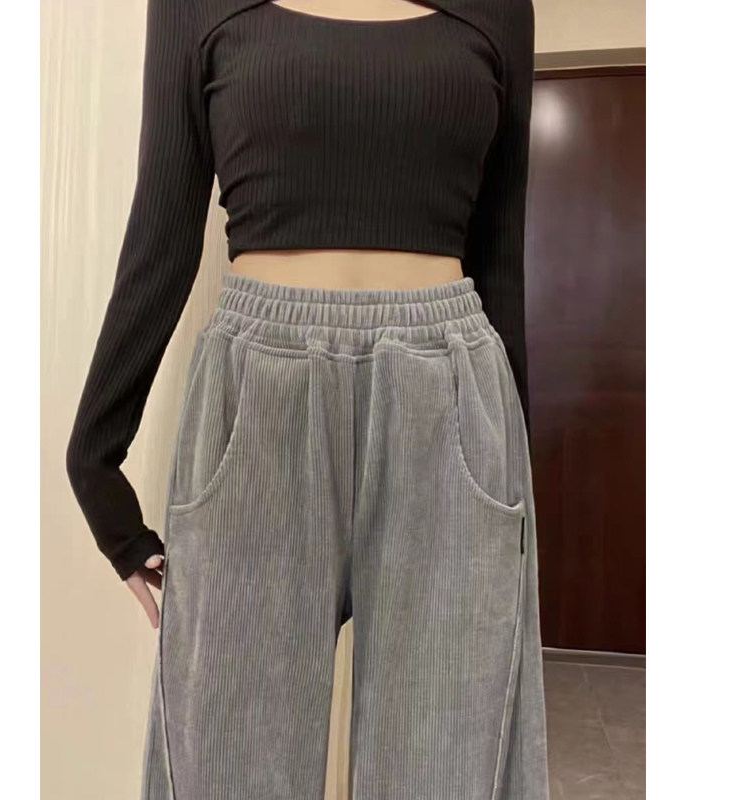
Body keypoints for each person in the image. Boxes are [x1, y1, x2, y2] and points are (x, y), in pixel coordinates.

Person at [65, 0, 549, 797]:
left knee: (448, 762)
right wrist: (93, 460)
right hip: (259, 397)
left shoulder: (499, 9)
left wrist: (517, 499)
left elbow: (499, 255)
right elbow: (162, 230)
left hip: (450, 407)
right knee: (228, 764)